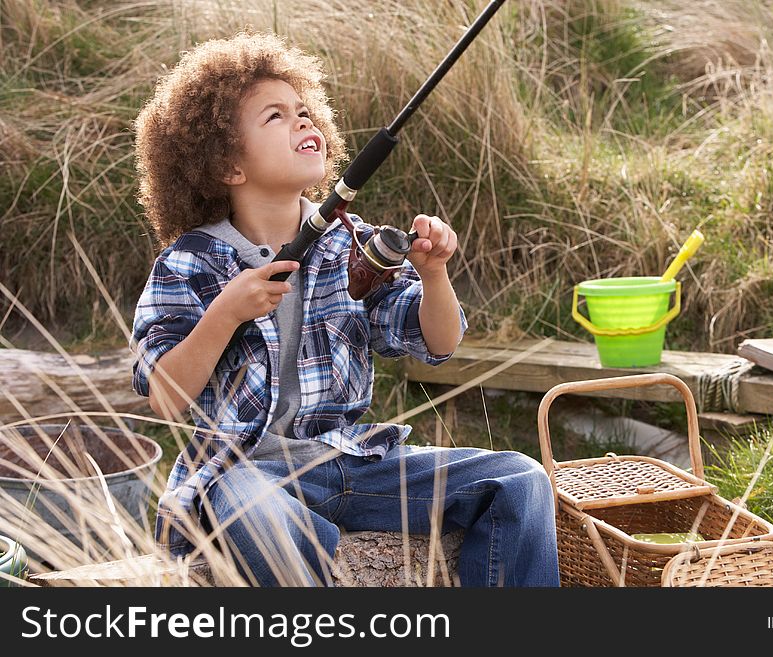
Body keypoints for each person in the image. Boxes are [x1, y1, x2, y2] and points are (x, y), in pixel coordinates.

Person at [130, 31, 559, 587]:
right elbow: (165, 396)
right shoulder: (188, 263)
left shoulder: (350, 242)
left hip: (355, 460)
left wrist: (434, 274)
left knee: (520, 480)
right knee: (246, 508)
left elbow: (438, 342)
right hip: (248, 472)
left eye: (305, 111)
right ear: (227, 166)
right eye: (276, 117)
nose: (303, 122)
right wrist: (224, 315)